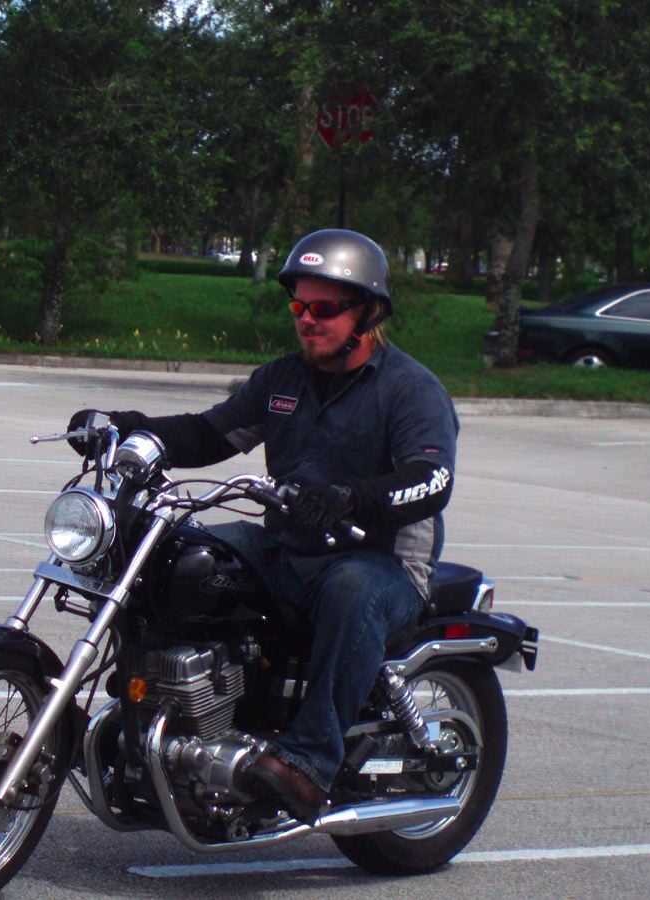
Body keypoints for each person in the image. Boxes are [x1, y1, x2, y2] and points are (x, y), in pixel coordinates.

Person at [67, 228, 458, 822]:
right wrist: (125, 426)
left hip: (381, 562)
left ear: (367, 312)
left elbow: (433, 480)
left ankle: (309, 765)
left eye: (325, 309)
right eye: (299, 308)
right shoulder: (282, 380)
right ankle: (147, 717)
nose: (308, 321)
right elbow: (210, 433)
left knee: (353, 591)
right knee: (171, 557)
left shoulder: (410, 389)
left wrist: (349, 498)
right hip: (285, 546)